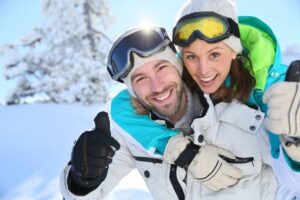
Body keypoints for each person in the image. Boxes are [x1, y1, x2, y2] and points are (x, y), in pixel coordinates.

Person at [61, 26, 282, 200]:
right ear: (132, 91)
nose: (157, 87)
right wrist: (82, 180)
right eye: (141, 79)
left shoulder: (243, 113)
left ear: (179, 67)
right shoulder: (131, 135)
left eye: (162, 68)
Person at [108, 0, 300, 194]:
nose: (203, 70)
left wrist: (295, 146)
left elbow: (288, 182)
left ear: (234, 50)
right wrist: (180, 150)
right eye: (191, 56)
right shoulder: (181, 85)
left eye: (214, 54)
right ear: (181, 61)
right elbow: (123, 105)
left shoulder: (271, 92)